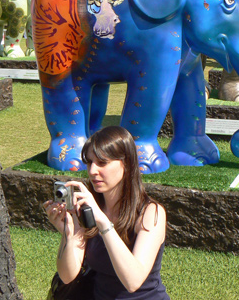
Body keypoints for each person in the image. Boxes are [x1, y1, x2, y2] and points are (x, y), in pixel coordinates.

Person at [44, 126, 170, 299]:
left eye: (102, 162)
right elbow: (67, 276)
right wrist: (68, 234)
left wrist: (103, 223)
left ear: (126, 164)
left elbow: (133, 281)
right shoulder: (87, 207)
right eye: (89, 162)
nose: (92, 170)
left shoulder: (151, 213)